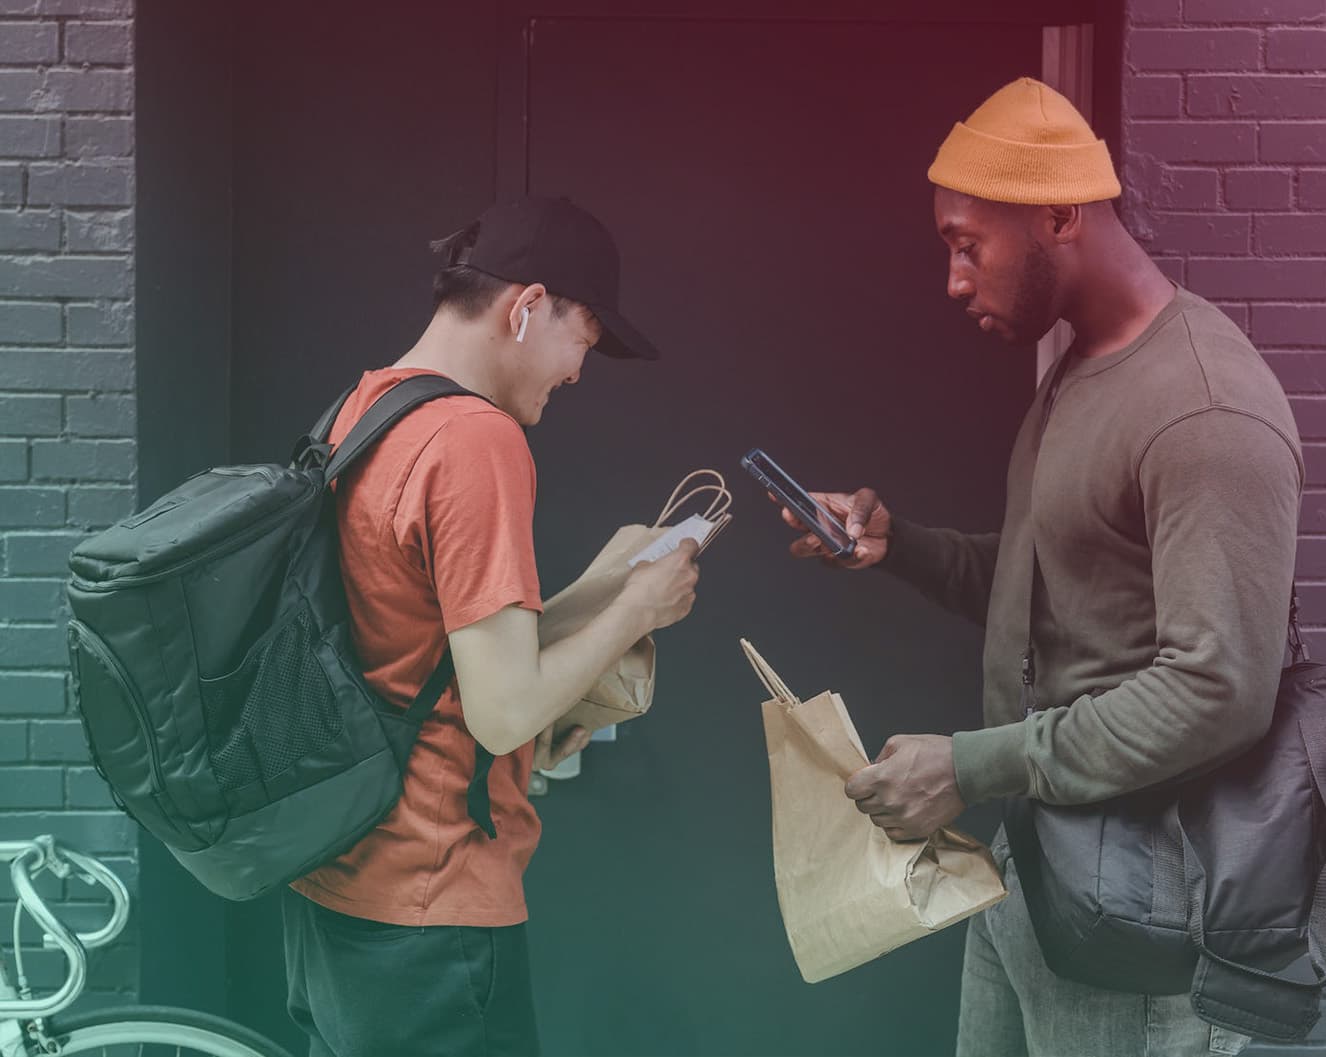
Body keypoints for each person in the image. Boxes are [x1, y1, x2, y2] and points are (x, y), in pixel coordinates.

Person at [775, 78, 1302, 1057]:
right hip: (1035, 877)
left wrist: (971, 764)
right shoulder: (1085, 366)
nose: (954, 280)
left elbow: (1220, 688)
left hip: (1143, 927)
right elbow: (1059, 589)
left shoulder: (1202, 408)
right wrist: (905, 549)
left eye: (967, 244)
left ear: (1060, 215)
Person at [282, 196, 701, 1057]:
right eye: (583, 336)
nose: (580, 370)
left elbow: (421, 649)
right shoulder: (478, 439)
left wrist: (602, 583)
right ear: (525, 306)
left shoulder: (362, 411)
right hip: (435, 914)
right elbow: (503, 709)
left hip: (336, 892)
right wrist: (638, 610)